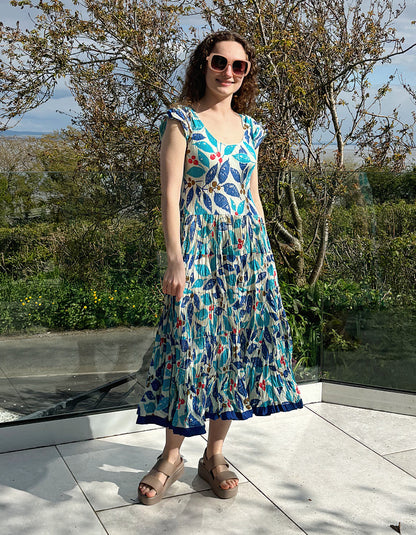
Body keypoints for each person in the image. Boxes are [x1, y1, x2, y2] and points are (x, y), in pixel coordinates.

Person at [136, 30, 303, 505]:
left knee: (233, 350)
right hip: (200, 252)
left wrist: (266, 256)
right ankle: (171, 455)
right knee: (189, 345)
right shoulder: (181, 122)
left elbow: (253, 196)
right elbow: (169, 196)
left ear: (245, 74)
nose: (228, 72)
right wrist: (175, 258)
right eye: (219, 62)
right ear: (203, 65)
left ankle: (215, 452)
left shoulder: (252, 129)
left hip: (247, 255)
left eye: (238, 66)